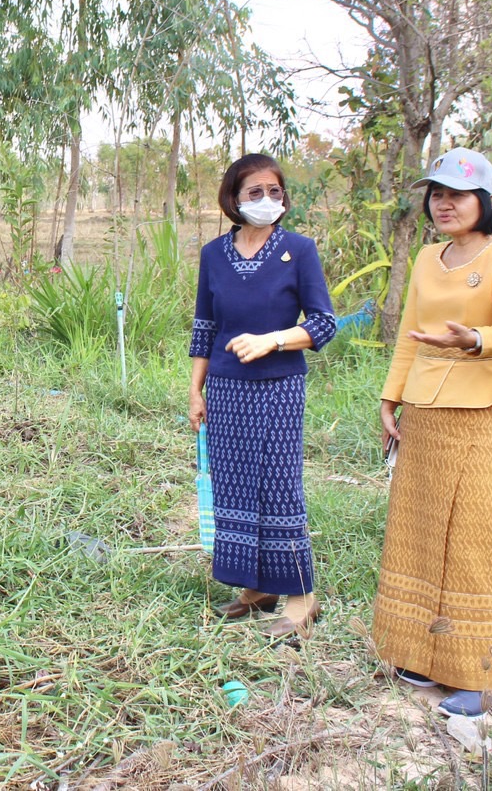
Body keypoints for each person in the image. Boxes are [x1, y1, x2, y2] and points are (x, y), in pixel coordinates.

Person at [370, 147, 492, 718]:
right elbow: (409, 335)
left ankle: (481, 678)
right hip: (423, 407)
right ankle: (418, 653)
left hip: (480, 407)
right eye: (437, 194)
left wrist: (471, 339)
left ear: (485, 202)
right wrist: (390, 398)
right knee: (417, 529)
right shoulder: (424, 259)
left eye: (457, 195)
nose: (444, 204)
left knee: (467, 535)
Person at [189, 154, 338, 639]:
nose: (267, 200)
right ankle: (256, 588)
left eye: (275, 191)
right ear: (233, 198)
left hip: (278, 386)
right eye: (255, 192)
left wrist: (273, 339)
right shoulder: (215, 255)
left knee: (277, 484)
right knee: (233, 484)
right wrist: (196, 389)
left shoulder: (300, 250)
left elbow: (323, 323)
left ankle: (300, 596)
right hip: (226, 388)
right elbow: (205, 326)